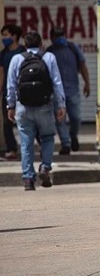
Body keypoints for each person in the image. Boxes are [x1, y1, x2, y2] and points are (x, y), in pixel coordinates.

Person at [6, 31, 66, 191]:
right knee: (47, 137)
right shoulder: (49, 57)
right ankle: (45, 167)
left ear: (25, 45)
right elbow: (57, 82)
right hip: (44, 106)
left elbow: (11, 86)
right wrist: (61, 105)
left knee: (26, 143)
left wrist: (10, 106)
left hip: (23, 108)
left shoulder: (16, 59)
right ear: (41, 44)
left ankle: (28, 179)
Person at [46, 27, 90, 155]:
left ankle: (73, 136)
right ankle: (65, 144)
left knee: (76, 117)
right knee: (60, 119)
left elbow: (82, 65)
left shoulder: (72, 48)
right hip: (56, 92)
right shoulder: (50, 52)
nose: (59, 38)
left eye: (61, 35)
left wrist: (87, 83)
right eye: (56, 36)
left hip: (72, 90)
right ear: (51, 38)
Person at [1, 24, 25, 160]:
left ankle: (35, 146)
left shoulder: (23, 51)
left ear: (14, 36)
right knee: (7, 123)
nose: (3, 38)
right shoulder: (3, 54)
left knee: (27, 121)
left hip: (24, 93)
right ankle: (12, 149)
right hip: (8, 92)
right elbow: (1, 74)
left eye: (6, 35)